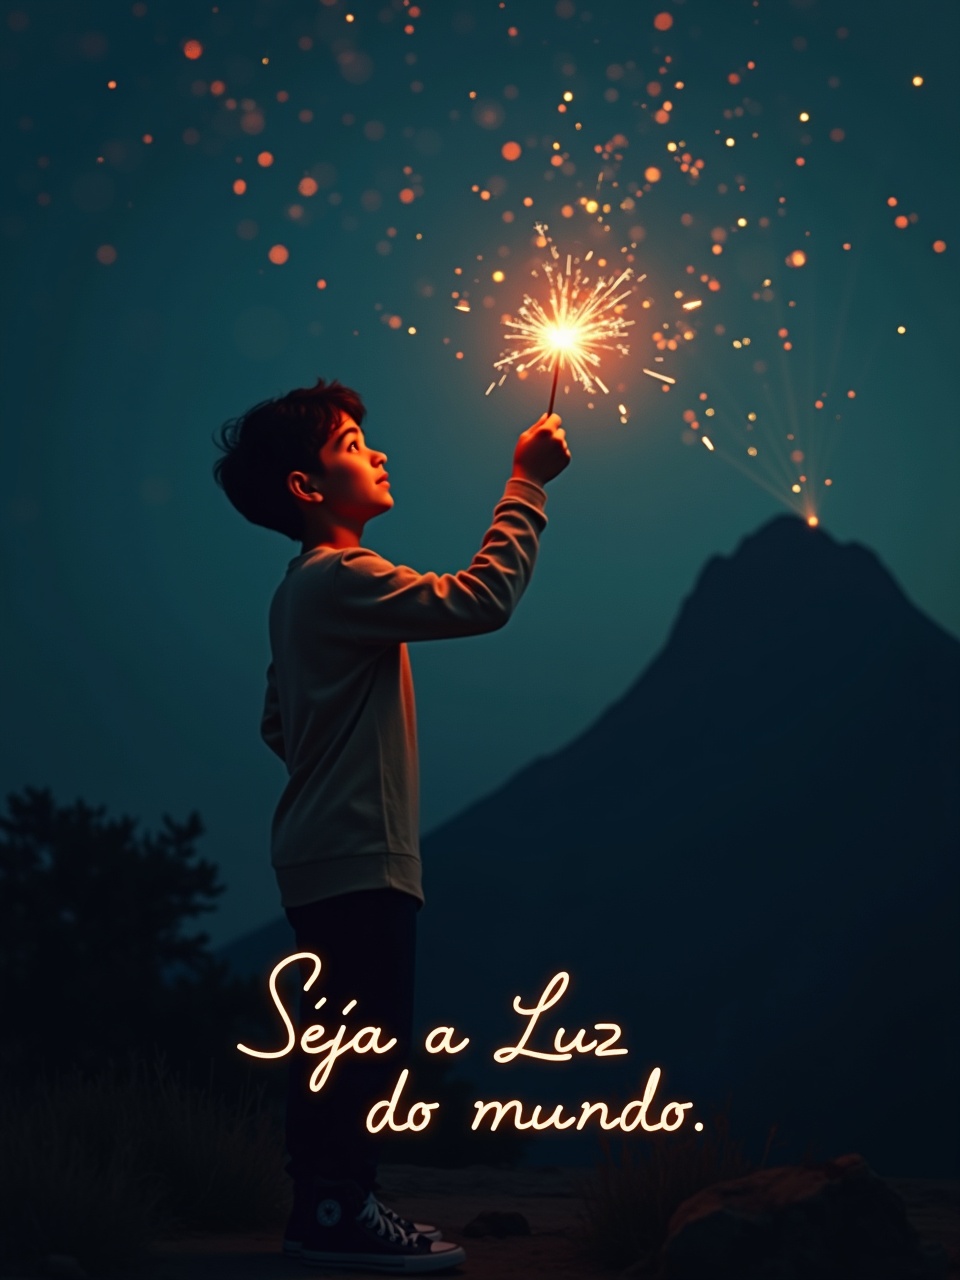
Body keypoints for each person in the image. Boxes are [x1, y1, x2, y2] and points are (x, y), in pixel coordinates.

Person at [212, 378, 569, 1273]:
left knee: (340, 1042)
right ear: (306, 487)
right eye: (350, 444)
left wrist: (330, 764)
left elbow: (276, 722)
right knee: (363, 1046)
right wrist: (526, 485)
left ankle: (333, 1206)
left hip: (321, 851)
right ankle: (335, 1213)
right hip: (358, 856)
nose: (375, 452)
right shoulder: (341, 579)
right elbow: (481, 599)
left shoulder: (296, 593)